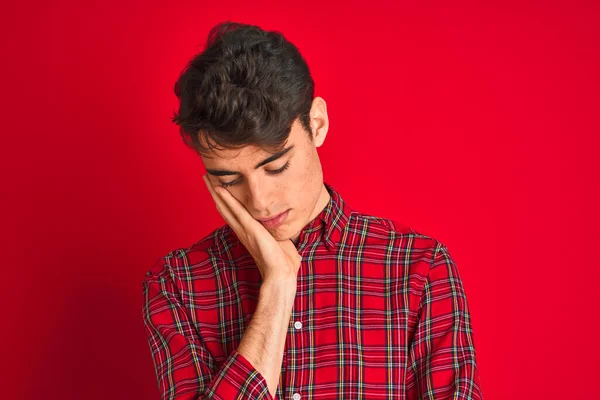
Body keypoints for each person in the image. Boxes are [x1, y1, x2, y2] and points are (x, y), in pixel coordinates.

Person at [142, 21, 483, 400]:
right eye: (228, 179)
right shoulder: (179, 283)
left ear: (316, 124)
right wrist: (278, 288)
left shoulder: (418, 270)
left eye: (276, 167)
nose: (260, 201)